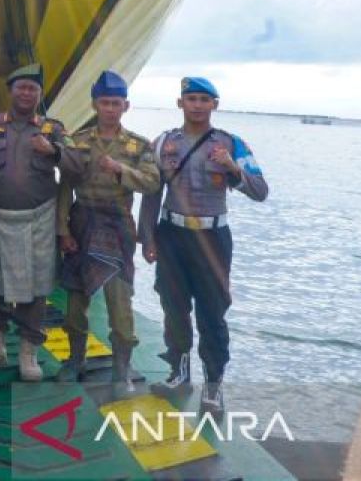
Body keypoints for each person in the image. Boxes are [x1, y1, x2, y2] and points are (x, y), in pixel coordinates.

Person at [139, 76, 268, 417]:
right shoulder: (163, 143)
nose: (197, 105)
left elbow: (260, 191)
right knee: (173, 306)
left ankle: (213, 386)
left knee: (212, 313)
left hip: (213, 238)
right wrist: (147, 238)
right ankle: (179, 374)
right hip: (172, 234)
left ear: (215, 104)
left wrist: (231, 167)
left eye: (204, 99)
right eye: (191, 98)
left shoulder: (232, 143)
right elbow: (152, 193)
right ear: (180, 103)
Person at [56, 71, 160, 394]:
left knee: (120, 302)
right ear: (95, 104)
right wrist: (62, 229)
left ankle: (121, 368)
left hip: (117, 228)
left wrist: (121, 171)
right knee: (76, 299)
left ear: (126, 106)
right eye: (105, 103)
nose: (110, 109)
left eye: (116, 103)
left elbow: (153, 182)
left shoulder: (139, 145)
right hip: (82, 222)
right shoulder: (79, 140)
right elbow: (65, 187)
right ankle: (75, 359)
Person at [0, 62, 67, 382]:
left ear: (40, 94)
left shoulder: (52, 128)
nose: (27, 93)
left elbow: (77, 168)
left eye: (33, 88)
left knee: (37, 288)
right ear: (10, 91)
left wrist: (53, 151)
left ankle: (28, 351)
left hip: (39, 217)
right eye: (21, 87)